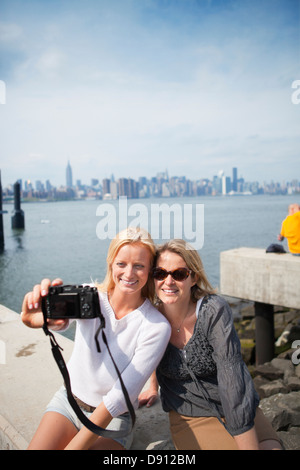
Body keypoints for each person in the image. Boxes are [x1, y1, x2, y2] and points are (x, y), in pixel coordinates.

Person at [21, 227, 171, 450]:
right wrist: (31, 317)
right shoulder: (90, 295)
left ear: (150, 271)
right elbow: (55, 322)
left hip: (114, 418)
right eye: (121, 264)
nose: (129, 274)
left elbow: (120, 397)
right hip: (69, 403)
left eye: (139, 266)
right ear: (111, 264)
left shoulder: (156, 326)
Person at [139, 239, 282, 450]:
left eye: (179, 274)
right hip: (190, 415)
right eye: (160, 273)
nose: (168, 281)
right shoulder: (150, 318)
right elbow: (150, 349)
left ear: (194, 277)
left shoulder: (213, 311)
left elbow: (232, 375)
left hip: (236, 404)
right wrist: (153, 386)